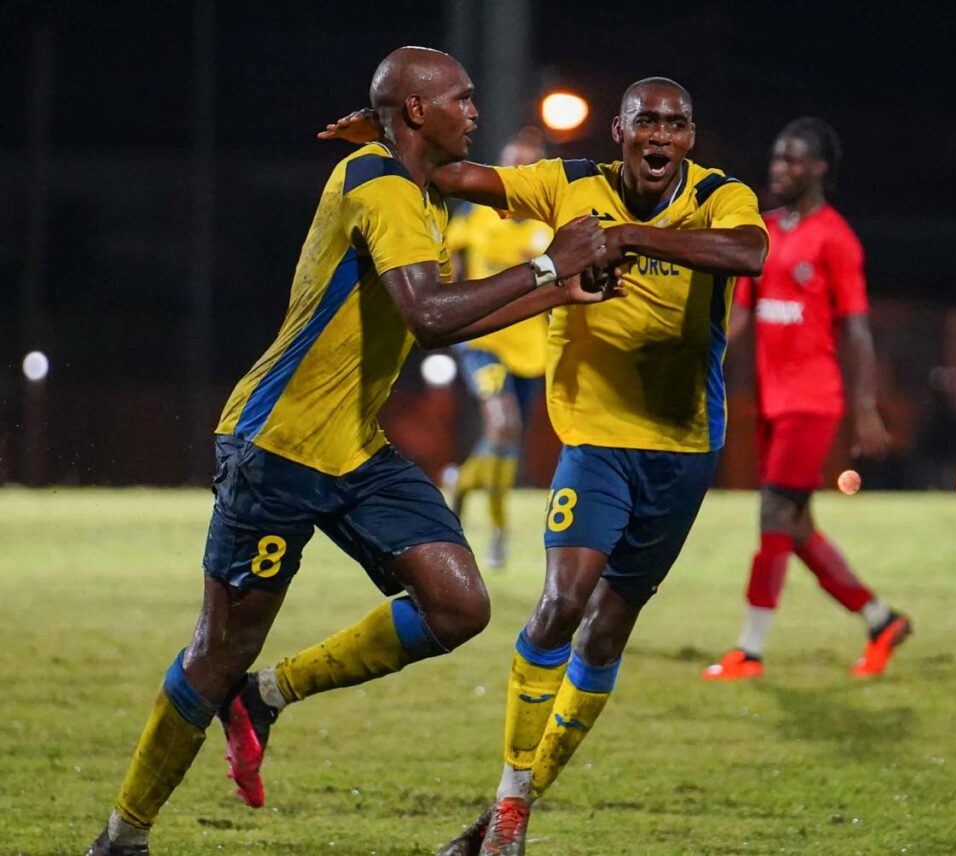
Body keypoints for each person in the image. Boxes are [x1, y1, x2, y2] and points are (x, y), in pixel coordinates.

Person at [84, 46, 619, 856]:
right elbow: (429, 315)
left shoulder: (415, 188)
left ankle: (264, 697)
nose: (475, 113)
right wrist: (547, 261)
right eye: (461, 100)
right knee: (217, 648)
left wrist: (554, 291)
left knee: (459, 605)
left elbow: (442, 314)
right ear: (415, 112)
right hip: (278, 447)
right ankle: (123, 836)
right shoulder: (380, 187)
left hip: (355, 449)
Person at [321, 75, 768, 856]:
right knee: (562, 603)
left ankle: (504, 816)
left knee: (606, 637)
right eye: (646, 122)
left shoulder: (721, 195)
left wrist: (629, 238)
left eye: (677, 125)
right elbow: (459, 175)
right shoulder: (567, 184)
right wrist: (399, 134)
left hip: (685, 448)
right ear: (619, 134)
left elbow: (750, 253)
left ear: (691, 139)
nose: (661, 137)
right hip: (594, 443)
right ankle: (511, 810)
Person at [702, 117, 910, 683]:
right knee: (794, 527)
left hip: (813, 403)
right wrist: (702, 367)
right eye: (775, 158)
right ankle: (880, 618)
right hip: (771, 401)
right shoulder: (765, 231)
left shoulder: (836, 238)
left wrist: (865, 408)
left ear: (820, 168)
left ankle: (749, 648)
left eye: (791, 159)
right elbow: (741, 313)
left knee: (772, 514)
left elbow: (858, 328)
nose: (778, 168)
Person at [445, 128, 553, 569]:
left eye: (528, 168)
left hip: (531, 348)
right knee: (503, 425)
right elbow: (448, 270)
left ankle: (462, 488)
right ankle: (497, 535)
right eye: (512, 167)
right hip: (482, 340)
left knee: (505, 443)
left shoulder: (549, 227)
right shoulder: (473, 215)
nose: (518, 175)